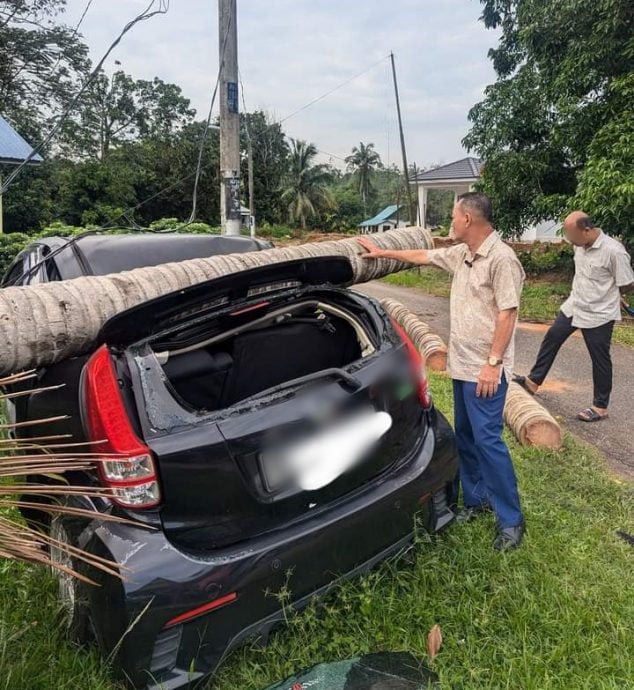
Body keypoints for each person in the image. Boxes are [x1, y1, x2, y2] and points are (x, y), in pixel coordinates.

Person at [358, 192, 525, 551]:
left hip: (485, 370)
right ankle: (477, 503)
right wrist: (382, 252)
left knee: (488, 441)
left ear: (468, 219)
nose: (450, 222)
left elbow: (507, 313)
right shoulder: (462, 254)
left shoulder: (501, 259)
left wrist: (493, 364)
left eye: (453, 216)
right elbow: (423, 255)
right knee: (465, 435)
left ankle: (511, 521)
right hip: (462, 366)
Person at [513, 212, 634, 422]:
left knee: (600, 358)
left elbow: (627, 283)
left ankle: (600, 406)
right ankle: (533, 381)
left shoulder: (614, 251)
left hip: (599, 312)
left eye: (572, 234)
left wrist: (614, 294)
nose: (569, 239)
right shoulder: (579, 245)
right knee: (553, 337)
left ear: (586, 230)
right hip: (574, 305)